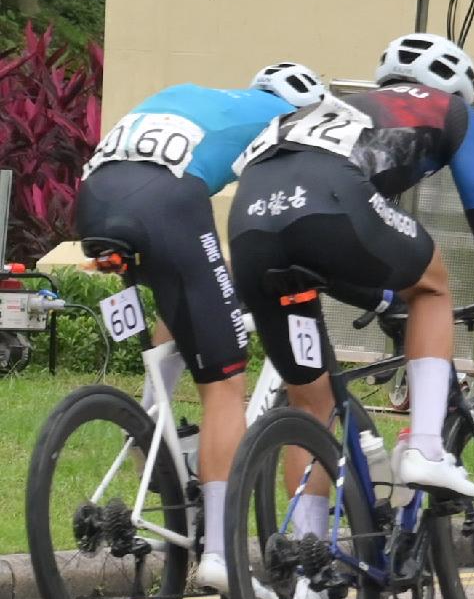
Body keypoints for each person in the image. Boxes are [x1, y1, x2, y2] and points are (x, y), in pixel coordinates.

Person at [227, 34, 474, 510]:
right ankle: (425, 446)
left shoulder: (336, 106)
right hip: (330, 201)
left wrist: (383, 298)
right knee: (431, 286)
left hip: (250, 222)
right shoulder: (450, 110)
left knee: (311, 407)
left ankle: (307, 569)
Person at [74, 59, 326, 510]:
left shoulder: (202, 99)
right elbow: (274, 215)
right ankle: (219, 550)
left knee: (184, 291)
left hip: (95, 200)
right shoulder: (285, 126)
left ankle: (153, 423)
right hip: (165, 203)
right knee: (225, 383)